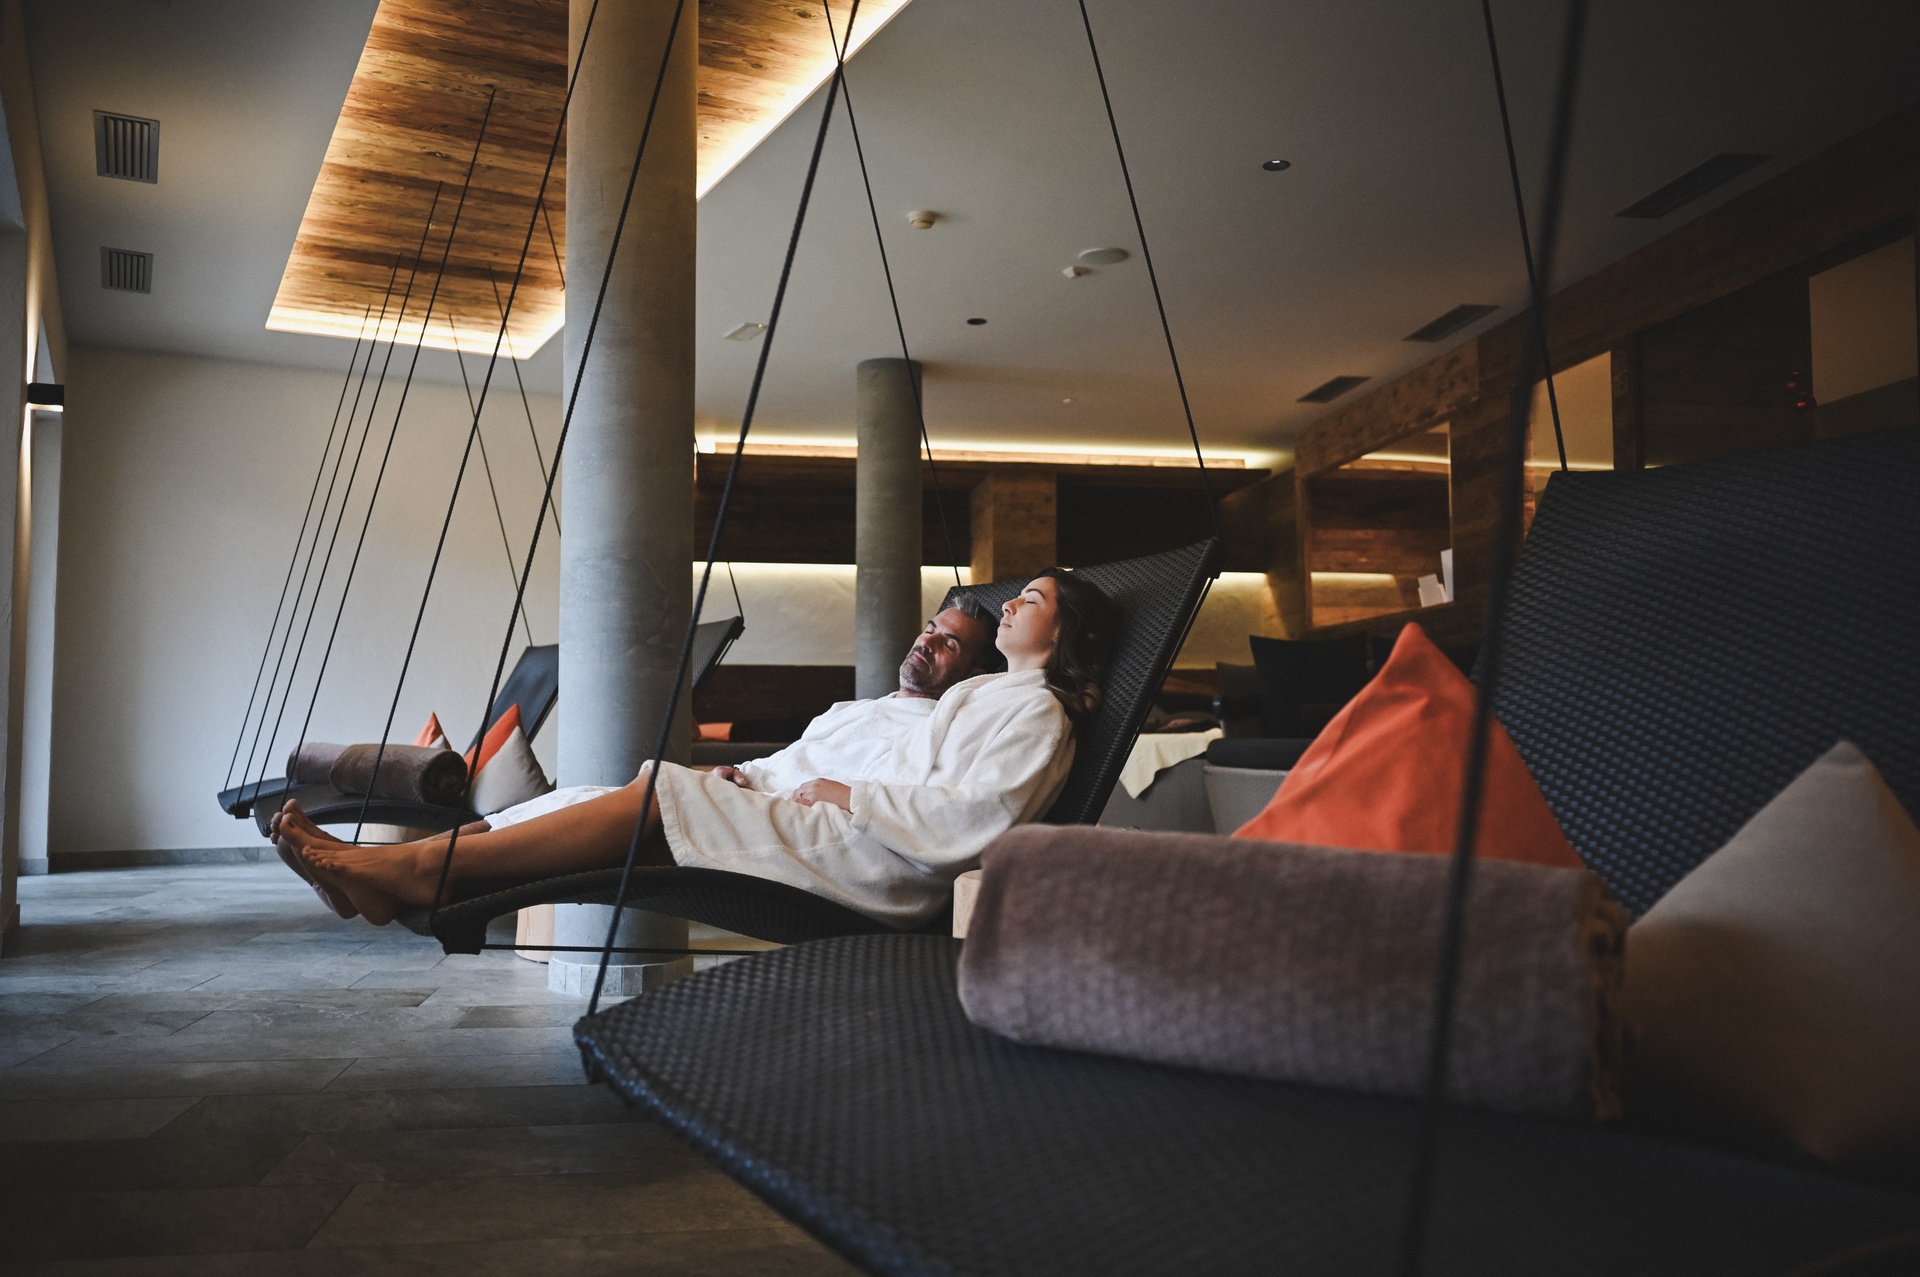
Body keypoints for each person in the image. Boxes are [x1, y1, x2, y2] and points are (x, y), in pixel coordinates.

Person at [273, 570, 1119, 929]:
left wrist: (845, 795)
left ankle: (417, 871)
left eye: (1031, 597)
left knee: (655, 797)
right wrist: (763, 778)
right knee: (605, 796)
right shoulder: (988, 696)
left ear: (1065, 632)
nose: (1014, 602)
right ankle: (393, 872)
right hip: (847, 832)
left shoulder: (1038, 714)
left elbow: (974, 819)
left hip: (879, 866)